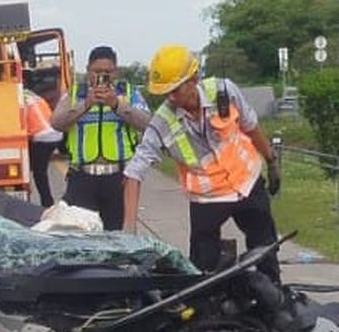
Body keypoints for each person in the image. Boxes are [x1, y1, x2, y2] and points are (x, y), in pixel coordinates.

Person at [123, 45, 282, 281]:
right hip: (208, 198)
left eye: (175, 90)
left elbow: (250, 126)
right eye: (165, 93)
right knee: (201, 269)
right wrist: (129, 229)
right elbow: (134, 172)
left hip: (246, 183)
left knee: (265, 251)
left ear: (194, 79)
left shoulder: (224, 91)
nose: (171, 98)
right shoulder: (162, 122)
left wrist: (271, 161)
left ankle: (274, 295)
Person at [50, 45, 151, 231]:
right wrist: (85, 105)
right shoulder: (75, 94)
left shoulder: (128, 93)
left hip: (119, 178)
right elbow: (56, 123)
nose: (102, 76)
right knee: (81, 234)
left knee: (118, 235)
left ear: (116, 72)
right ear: (88, 70)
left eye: (108, 72)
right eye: (97, 72)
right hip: (82, 177)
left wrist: (117, 105)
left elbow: (147, 123)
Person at [23, 89, 62, 207]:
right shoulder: (35, 97)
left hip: (42, 137)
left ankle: (47, 203)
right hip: (55, 134)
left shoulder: (20, 100)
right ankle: (47, 202)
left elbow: (22, 124)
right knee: (40, 169)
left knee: (39, 172)